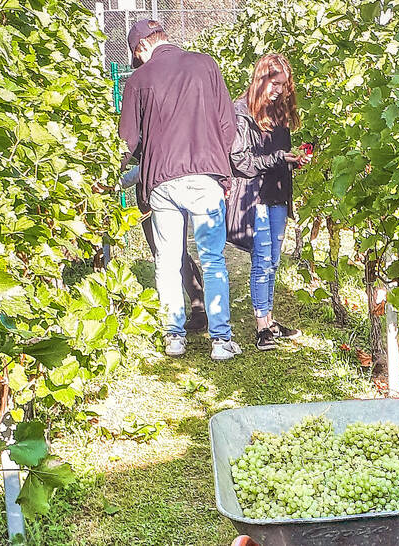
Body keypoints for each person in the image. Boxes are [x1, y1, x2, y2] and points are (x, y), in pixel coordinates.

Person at [119, 20, 240, 360]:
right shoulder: (206, 64)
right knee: (214, 259)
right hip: (206, 176)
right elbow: (227, 125)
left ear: (141, 47)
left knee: (167, 261)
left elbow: (126, 141)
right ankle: (221, 342)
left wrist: (107, 175)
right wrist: (223, 173)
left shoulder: (138, 81)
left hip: (161, 181)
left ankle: (174, 337)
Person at [228, 53, 310, 351]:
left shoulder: (278, 113)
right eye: (275, 84)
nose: (279, 91)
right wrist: (278, 158)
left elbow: (280, 155)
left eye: (284, 86)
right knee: (262, 261)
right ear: (261, 79)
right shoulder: (242, 112)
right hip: (255, 195)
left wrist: (294, 161)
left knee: (273, 261)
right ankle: (262, 326)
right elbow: (239, 161)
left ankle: (270, 319)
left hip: (277, 194)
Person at [122, 165, 208, 333]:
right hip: (158, 195)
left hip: (157, 196)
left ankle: (187, 315)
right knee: (177, 254)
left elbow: (145, 164)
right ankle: (197, 310)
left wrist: (118, 181)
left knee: (170, 256)